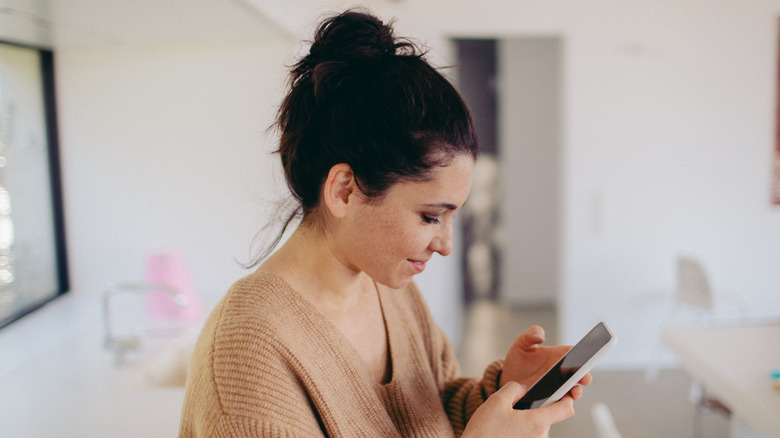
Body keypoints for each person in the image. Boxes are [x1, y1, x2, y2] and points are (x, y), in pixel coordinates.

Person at [178, 9, 590, 438]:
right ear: (344, 191)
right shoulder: (247, 352)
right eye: (430, 216)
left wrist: (502, 392)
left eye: (451, 216)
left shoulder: (390, 289)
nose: (446, 244)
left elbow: (436, 407)